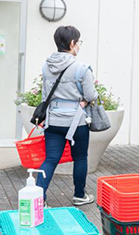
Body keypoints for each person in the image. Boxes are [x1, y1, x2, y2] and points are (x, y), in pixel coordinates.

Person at [37, 25, 97, 206]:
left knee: (51, 159)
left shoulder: (47, 67)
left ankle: (39, 199)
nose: (78, 46)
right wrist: (85, 102)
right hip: (76, 122)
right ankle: (79, 195)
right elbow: (91, 95)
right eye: (78, 42)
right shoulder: (82, 68)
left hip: (53, 120)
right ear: (72, 43)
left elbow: (45, 95)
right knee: (80, 158)